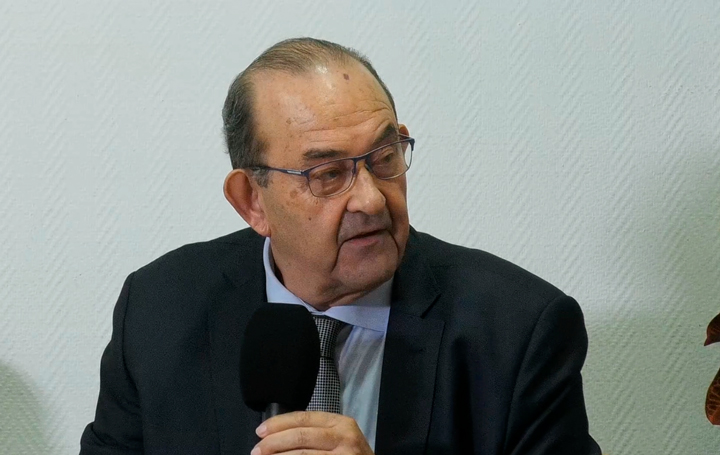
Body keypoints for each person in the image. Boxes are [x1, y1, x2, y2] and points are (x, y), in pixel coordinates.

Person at [80, 37, 601, 455]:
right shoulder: (159, 310)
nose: (371, 200)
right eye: (328, 174)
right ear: (252, 201)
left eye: (384, 156)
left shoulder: (518, 330)